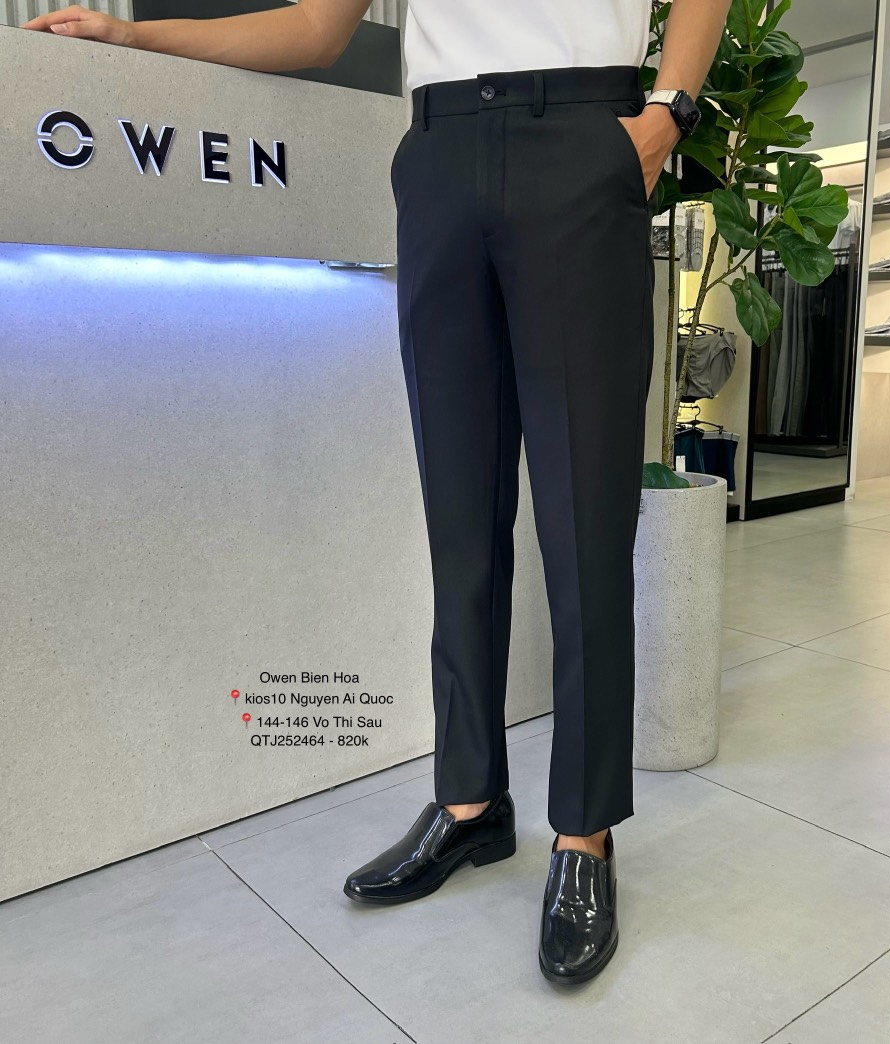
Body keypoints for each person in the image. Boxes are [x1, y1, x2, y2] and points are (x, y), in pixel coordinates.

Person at [22, 0, 732, 984]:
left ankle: (584, 833)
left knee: (585, 524)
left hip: (583, 139)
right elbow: (319, 26)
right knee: (458, 518)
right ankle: (470, 803)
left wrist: (667, 114)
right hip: (439, 153)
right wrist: (133, 34)